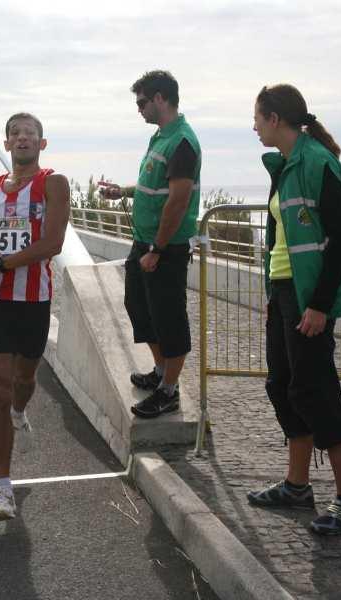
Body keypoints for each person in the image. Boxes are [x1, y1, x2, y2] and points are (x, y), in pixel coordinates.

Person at [245, 84, 341, 535]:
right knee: (283, 385)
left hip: (307, 295)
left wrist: (318, 304)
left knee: (316, 389)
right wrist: (273, 294)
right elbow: (282, 239)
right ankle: (297, 486)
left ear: (275, 118)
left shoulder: (318, 162)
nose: (254, 126)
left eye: (257, 117)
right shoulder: (284, 165)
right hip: (284, 291)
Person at [0, 113, 69, 521]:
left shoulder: (52, 184)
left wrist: (5, 263)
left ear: (42, 144)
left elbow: (53, 243)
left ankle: (21, 413)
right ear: (6, 144)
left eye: (31, 134)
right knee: (0, 389)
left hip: (34, 301)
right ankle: (2, 491)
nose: (22, 138)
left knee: (24, 383)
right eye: (15, 134)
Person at [98, 70, 201, 419]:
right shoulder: (161, 137)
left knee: (170, 318)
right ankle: (160, 373)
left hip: (165, 248)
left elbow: (178, 201)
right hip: (144, 243)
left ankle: (169, 391)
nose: (139, 109)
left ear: (160, 98)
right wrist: (122, 192)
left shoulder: (182, 141)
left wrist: (157, 249)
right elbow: (153, 186)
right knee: (139, 307)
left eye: (142, 102)